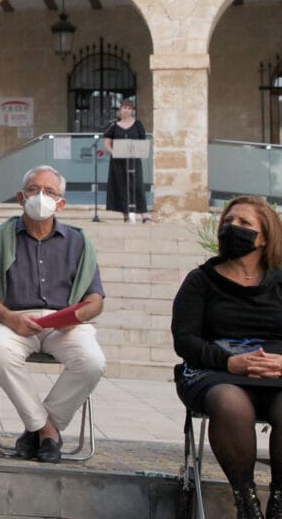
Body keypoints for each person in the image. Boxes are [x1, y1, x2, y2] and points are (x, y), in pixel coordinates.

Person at [0, 165, 106, 464]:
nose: (41, 196)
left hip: (65, 324)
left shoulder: (79, 242)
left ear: (61, 202)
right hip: (13, 320)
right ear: (20, 197)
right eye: (33, 189)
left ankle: (40, 430)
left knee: (92, 361)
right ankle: (47, 432)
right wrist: (9, 318)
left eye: (50, 191)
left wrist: (77, 315)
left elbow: (96, 298)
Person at [172, 196, 282, 519]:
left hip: (275, 372)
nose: (233, 228)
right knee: (230, 403)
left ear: (264, 237)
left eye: (245, 224)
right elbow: (184, 339)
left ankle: (279, 501)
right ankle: (246, 501)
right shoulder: (201, 281)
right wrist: (229, 362)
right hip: (215, 372)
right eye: (229, 222)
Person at [103, 98, 149, 222]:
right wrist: (114, 152)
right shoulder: (113, 126)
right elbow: (107, 143)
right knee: (121, 185)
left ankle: (143, 214)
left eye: (129, 108)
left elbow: (142, 141)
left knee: (137, 185)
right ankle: (126, 213)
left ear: (132, 111)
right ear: (120, 109)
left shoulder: (138, 124)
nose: (126, 110)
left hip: (134, 160)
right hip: (118, 161)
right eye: (125, 108)